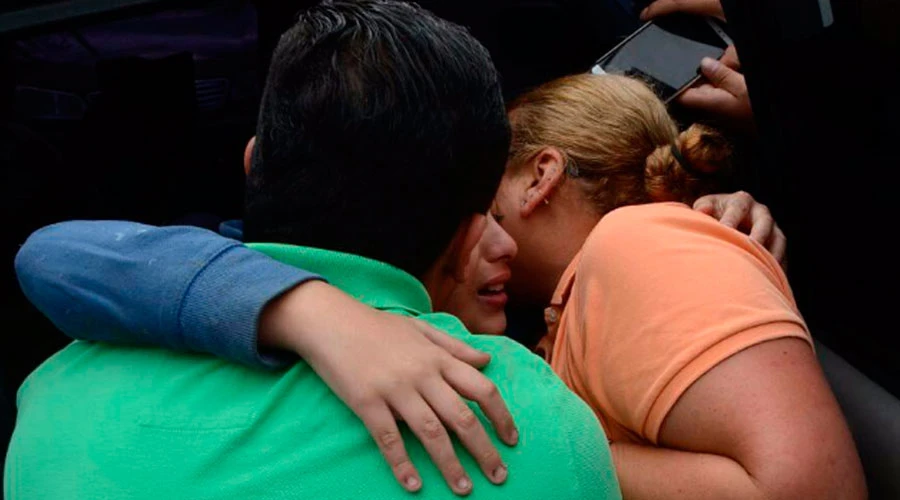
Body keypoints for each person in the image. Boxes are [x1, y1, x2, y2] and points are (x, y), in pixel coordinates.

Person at [4, 2, 622, 499]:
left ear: (253, 163)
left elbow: (48, 254)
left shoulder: (56, 395)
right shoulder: (530, 424)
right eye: (492, 217)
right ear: (468, 238)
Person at [491, 72, 865, 498]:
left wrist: (560, 445)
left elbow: (814, 489)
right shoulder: (582, 297)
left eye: (485, 184)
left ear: (540, 176)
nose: (471, 213)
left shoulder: (632, 243)